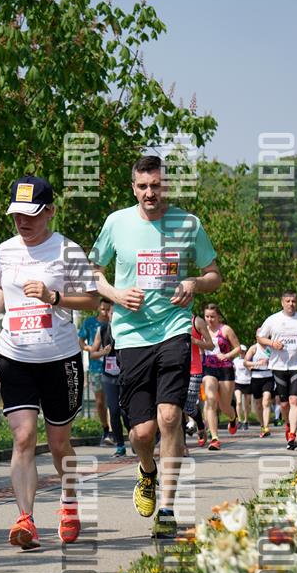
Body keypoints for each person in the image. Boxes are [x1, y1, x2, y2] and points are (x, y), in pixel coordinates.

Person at [89, 154, 221, 539]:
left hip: (174, 328)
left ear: (166, 187)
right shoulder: (116, 222)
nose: (150, 193)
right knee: (143, 433)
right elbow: (93, 271)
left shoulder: (188, 223)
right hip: (131, 335)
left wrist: (194, 283)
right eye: (143, 186)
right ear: (134, 188)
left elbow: (214, 275)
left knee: (170, 416)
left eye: (157, 186)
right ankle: (147, 470)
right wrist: (115, 294)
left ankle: (167, 508)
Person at [0, 175, 98, 550]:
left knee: (59, 444)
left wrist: (53, 296)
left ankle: (69, 503)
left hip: (59, 358)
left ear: (50, 212)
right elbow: (1, 286)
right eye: (16, 215)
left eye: (30, 215)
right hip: (15, 355)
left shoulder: (68, 251)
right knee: (24, 436)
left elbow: (92, 300)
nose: (22, 222)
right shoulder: (6, 250)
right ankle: (25, 519)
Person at [257, 291, 297, 450]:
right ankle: (288, 424)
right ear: (282, 302)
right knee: (284, 405)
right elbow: (260, 337)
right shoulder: (273, 319)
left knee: (294, 400)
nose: (291, 304)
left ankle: (292, 436)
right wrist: (272, 344)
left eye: (293, 301)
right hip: (279, 366)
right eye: (288, 301)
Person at [88, 302, 126, 457]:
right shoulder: (102, 329)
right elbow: (93, 353)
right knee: (114, 410)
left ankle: (135, 438)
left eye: (116, 314)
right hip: (108, 375)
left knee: (126, 411)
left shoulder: (126, 329)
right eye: (111, 313)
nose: (113, 316)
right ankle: (120, 445)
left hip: (125, 375)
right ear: (108, 315)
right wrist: (103, 352)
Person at [202, 303, 241, 451]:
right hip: (208, 369)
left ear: (218, 317)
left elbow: (238, 348)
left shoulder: (226, 330)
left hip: (225, 369)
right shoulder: (202, 330)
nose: (209, 319)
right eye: (207, 316)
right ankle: (215, 438)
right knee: (210, 399)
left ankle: (232, 418)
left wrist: (227, 355)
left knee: (225, 407)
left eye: (212, 316)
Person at [78, 299, 112, 445]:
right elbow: (81, 341)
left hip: (113, 367)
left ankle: (112, 432)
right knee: (99, 402)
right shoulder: (90, 323)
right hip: (96, 367)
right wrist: (89, 349)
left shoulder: (113, 322)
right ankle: (105, 429)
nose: (105, 312)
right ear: (98, 308)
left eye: (108, 309)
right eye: (103, 309)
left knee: (112, 401)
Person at [184, 313, 214, 450]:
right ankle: (181, 445)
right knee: (176, 406)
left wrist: (195, 341)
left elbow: (211, 345)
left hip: (193, 369)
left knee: (188, 407)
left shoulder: (196, 321)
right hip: (175, 369)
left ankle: (200, 425)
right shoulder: (168, 317)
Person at [244, 339, 274, 437]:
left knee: (266, 401)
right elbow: (245, 362)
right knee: (258, 404)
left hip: (268, 376)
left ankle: (266, 427)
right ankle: (262, 424)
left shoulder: (271, 347)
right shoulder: (254, 348)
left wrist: (270, 362)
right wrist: (257, 363)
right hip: (256, 377)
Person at [233, 344, 252, 430]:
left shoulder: (249, 360)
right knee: (239, 401)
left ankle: (246, 420)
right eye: (240, 351)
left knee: (247, 404)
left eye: (243, 351)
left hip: (248, 382)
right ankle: (239, 420)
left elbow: (252, 369)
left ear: (245, 352)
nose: (241, 353)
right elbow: (233, 370)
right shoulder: (235, 360)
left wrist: (248, 366)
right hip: (238, 382)